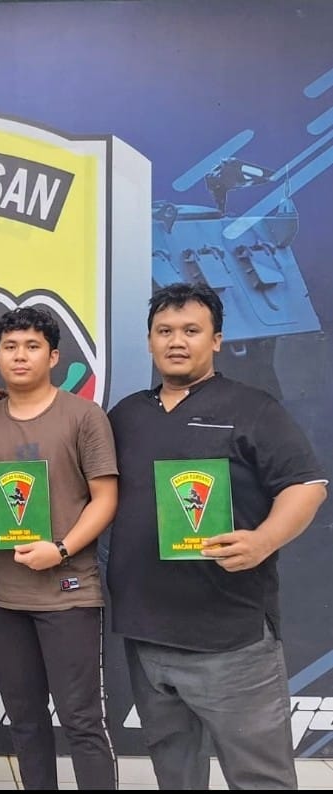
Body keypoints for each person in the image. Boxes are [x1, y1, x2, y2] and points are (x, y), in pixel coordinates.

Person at [106, 282, 328, 790]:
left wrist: (263, 540)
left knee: (260, 778)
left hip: (230, 639)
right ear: (150, 341)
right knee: (176, 774)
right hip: (146, 634)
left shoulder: (253, 408)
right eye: (165, 330)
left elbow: (306, 486)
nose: (176, 341)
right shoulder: (127, 415)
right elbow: (79, 478)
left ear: (217, 340)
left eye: (191, 330)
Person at [0, 306, 119, 790]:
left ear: (53, 356)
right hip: (3, 595)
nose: (20, 356)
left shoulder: (84, 416)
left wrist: (62, 548)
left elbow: (105, 498)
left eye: (32, 346)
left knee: (81, 720)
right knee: (26, 722)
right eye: (10, 347)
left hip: (68, 592)